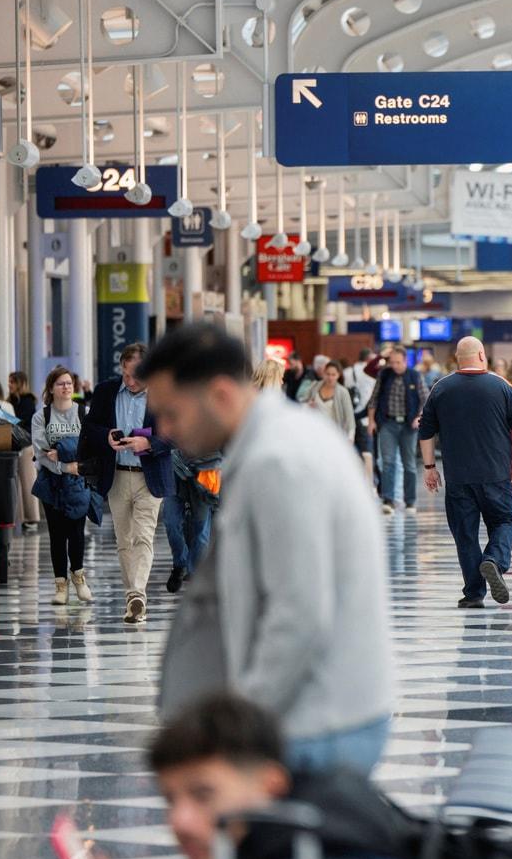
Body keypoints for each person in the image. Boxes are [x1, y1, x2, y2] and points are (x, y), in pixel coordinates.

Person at [141, 324, 394, 773]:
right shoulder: (277, 442)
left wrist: (241, 723)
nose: (163, 428)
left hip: (314, 727)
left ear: (219, 395)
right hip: (315, 716)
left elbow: (299, 614)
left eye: (171, 412)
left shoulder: (278, 461)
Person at [62, 694, 436, 859]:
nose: (180, 821)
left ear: (270, 784)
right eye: (171, 800)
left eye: (204, 794)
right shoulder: (323, 822)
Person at [419, 337, 512, 608]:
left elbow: (425, 431)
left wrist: (430, 468)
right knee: (504, 521)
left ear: (458, 357)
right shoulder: (502, 386)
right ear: (482, 355)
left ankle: (473, 593)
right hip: (496, 474)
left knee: (465, 534)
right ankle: (494, 560)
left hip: (458, 477)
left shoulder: (441, 388)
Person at [79, 343, 173, 624]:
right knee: (124, 541)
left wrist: (149, 442)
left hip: (149, 475)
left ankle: (137, 595)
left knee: (144, 536)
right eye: (126, 375)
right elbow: (89, 428)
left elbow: (178, 433)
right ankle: (134, 595)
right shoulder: (107, 391)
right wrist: (106, 435)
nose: (131, 381)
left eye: (137, 376)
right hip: (117, 474)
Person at [31, 367, 96, 606]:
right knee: (57, 534)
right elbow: (42, 452)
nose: (66, 387)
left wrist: (65, 452)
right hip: (52, 482)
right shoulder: (42, 416)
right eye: (60, 383)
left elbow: (88, 446)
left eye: (69, 383)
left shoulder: (84, 413)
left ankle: (79, 578)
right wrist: (64, 466)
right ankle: (60, 585)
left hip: (78, 481)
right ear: (51, 389)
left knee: (77, 531)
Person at [366, 349, 427, 515]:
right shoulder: (385, 375)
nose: (394, 366)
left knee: (409, 465)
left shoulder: (415, 375)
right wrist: (371, 421)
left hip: (409, 425)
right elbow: (374, 399)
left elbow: (425, 400)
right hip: (388, 424)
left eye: (398, 362)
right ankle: (388, 499)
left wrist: (418, 417)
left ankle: (410, 502)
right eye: (392, 362)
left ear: (405, 361)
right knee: (387, 462)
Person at [161, 448, 220, 594]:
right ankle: (179, 564)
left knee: (201, 530)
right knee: (171, 521)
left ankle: (196, 574)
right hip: (176, 467)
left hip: (205, 470)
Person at [8, 371, 41, 532]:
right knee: (17, 483)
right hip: (14, 444)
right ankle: (20, 518)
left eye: (12, 382)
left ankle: (32, 518)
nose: (9, 385)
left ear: (19, 383)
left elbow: (25, 422)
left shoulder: (27, 401)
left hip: (26, 445)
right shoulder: (11, 400)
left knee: (28, 481)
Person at [343, 348, 378, 479]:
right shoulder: (371, 374)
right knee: (368, 452)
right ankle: (371, 482)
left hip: (349, 417)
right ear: (369, 359)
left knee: (351, 451)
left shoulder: (347, 372)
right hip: (365, 418)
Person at [305, 360, 356, 441]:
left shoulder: (343, 392)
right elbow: (303, 402)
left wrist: (350, 436)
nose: (330, 377)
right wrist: (308, 405)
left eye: (333, 375)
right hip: (314, 430)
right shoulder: (315, 386)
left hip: (334, 433)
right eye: (328, 374)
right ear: (324, 373)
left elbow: (349, 416)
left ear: (338, 375)